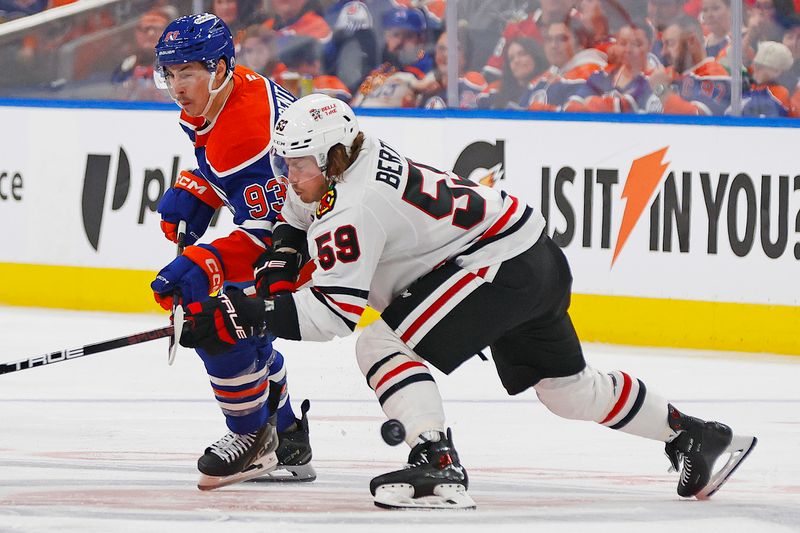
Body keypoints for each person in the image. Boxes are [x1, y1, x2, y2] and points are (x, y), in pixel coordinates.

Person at [177, 93, 758, 510]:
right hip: (527, 254)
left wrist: (243, 310)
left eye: (296, 163)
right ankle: (697, 436)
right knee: (566, 391)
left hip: (497, 267)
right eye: (284, 161)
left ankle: (436, 463)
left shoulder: (355, 206)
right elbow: (297, 218)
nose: (287, 174)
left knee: (380, 341)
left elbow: (334, 315)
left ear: (329, 156)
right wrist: (281, 250)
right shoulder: (349, 156)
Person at [149, 12, 314, 490]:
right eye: (171, 73)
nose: (178, 86)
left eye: (188, 72)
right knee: (240, 317)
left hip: (321, 241)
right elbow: (231, 171)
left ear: (219, 68)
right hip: (305, 225)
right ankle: (287, 437)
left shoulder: (247, 128)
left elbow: (278, 234)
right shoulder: (229, 90)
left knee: (215, 306)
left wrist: (206, 263)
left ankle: (250, 438)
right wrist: (202, 186)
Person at [564, 20, 660, 113]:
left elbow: (626, 107)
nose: (628, 49)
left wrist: (591, 101)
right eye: (623, 43)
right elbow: (570, 106)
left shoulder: (656, 80)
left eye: (636, 44)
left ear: (650, 45)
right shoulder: (601, 76)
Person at [477, 37, 546, 109]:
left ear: (535, 56)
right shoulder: (495, 91)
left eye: (522, 54)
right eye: (511, 58)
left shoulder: (550, 85)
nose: (516, 61)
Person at [740, 40, 795, 116]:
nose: (756, 69)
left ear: (779, 71)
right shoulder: (750, 82)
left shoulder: (781, 92)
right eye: (756, 64)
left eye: (763, 67)